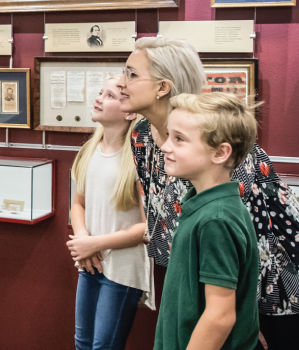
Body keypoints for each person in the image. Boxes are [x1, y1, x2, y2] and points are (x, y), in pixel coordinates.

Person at [119, 37, 299, 350]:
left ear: (162, 87)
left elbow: (258, 238)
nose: (122, 83)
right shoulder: (142, 136)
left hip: (273, 291)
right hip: (205, 281)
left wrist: (249, 317)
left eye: (132, 74)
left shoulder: (220, 145)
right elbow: (160, 214)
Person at [153, 92, 259, 350]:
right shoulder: (203, 206)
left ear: (220, 152)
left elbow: (220, 316)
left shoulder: (216, 219)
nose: (166, 146)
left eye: (179, 139)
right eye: (169, 136)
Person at [67, 77, 153, 350]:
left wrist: (96, 243)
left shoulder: (138, 158)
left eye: (110, 95)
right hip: (90, 262)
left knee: (104, 346)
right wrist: (83, 240)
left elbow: (147, 227)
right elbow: (78, 204)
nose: (99, 98)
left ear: (130, 111)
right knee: (82, 343)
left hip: (123, 268)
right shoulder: (88, 151)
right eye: (100, 92)